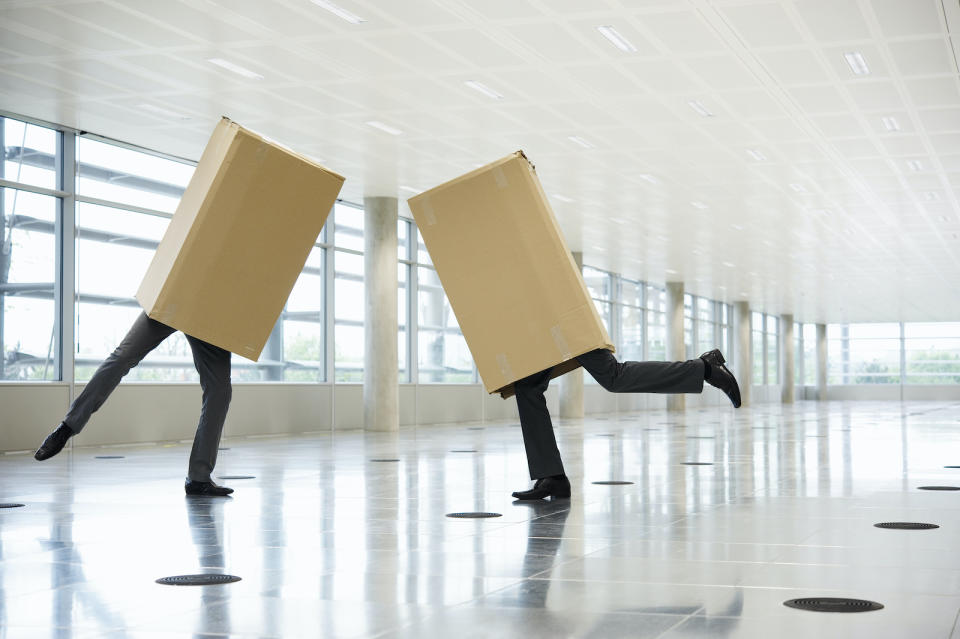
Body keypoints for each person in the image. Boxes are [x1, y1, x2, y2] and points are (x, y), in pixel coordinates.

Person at [33, 312, 235, 497]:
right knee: (123, 356)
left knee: (220, 389)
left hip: (212, 312)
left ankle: (199, 478)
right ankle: (67, 427)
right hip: (177, 298)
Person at [511, 348, 741, 500]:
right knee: (527, 386)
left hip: (563, 315)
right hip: (542, 320)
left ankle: (706, 368)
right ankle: (552, 476)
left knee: (614, 376)